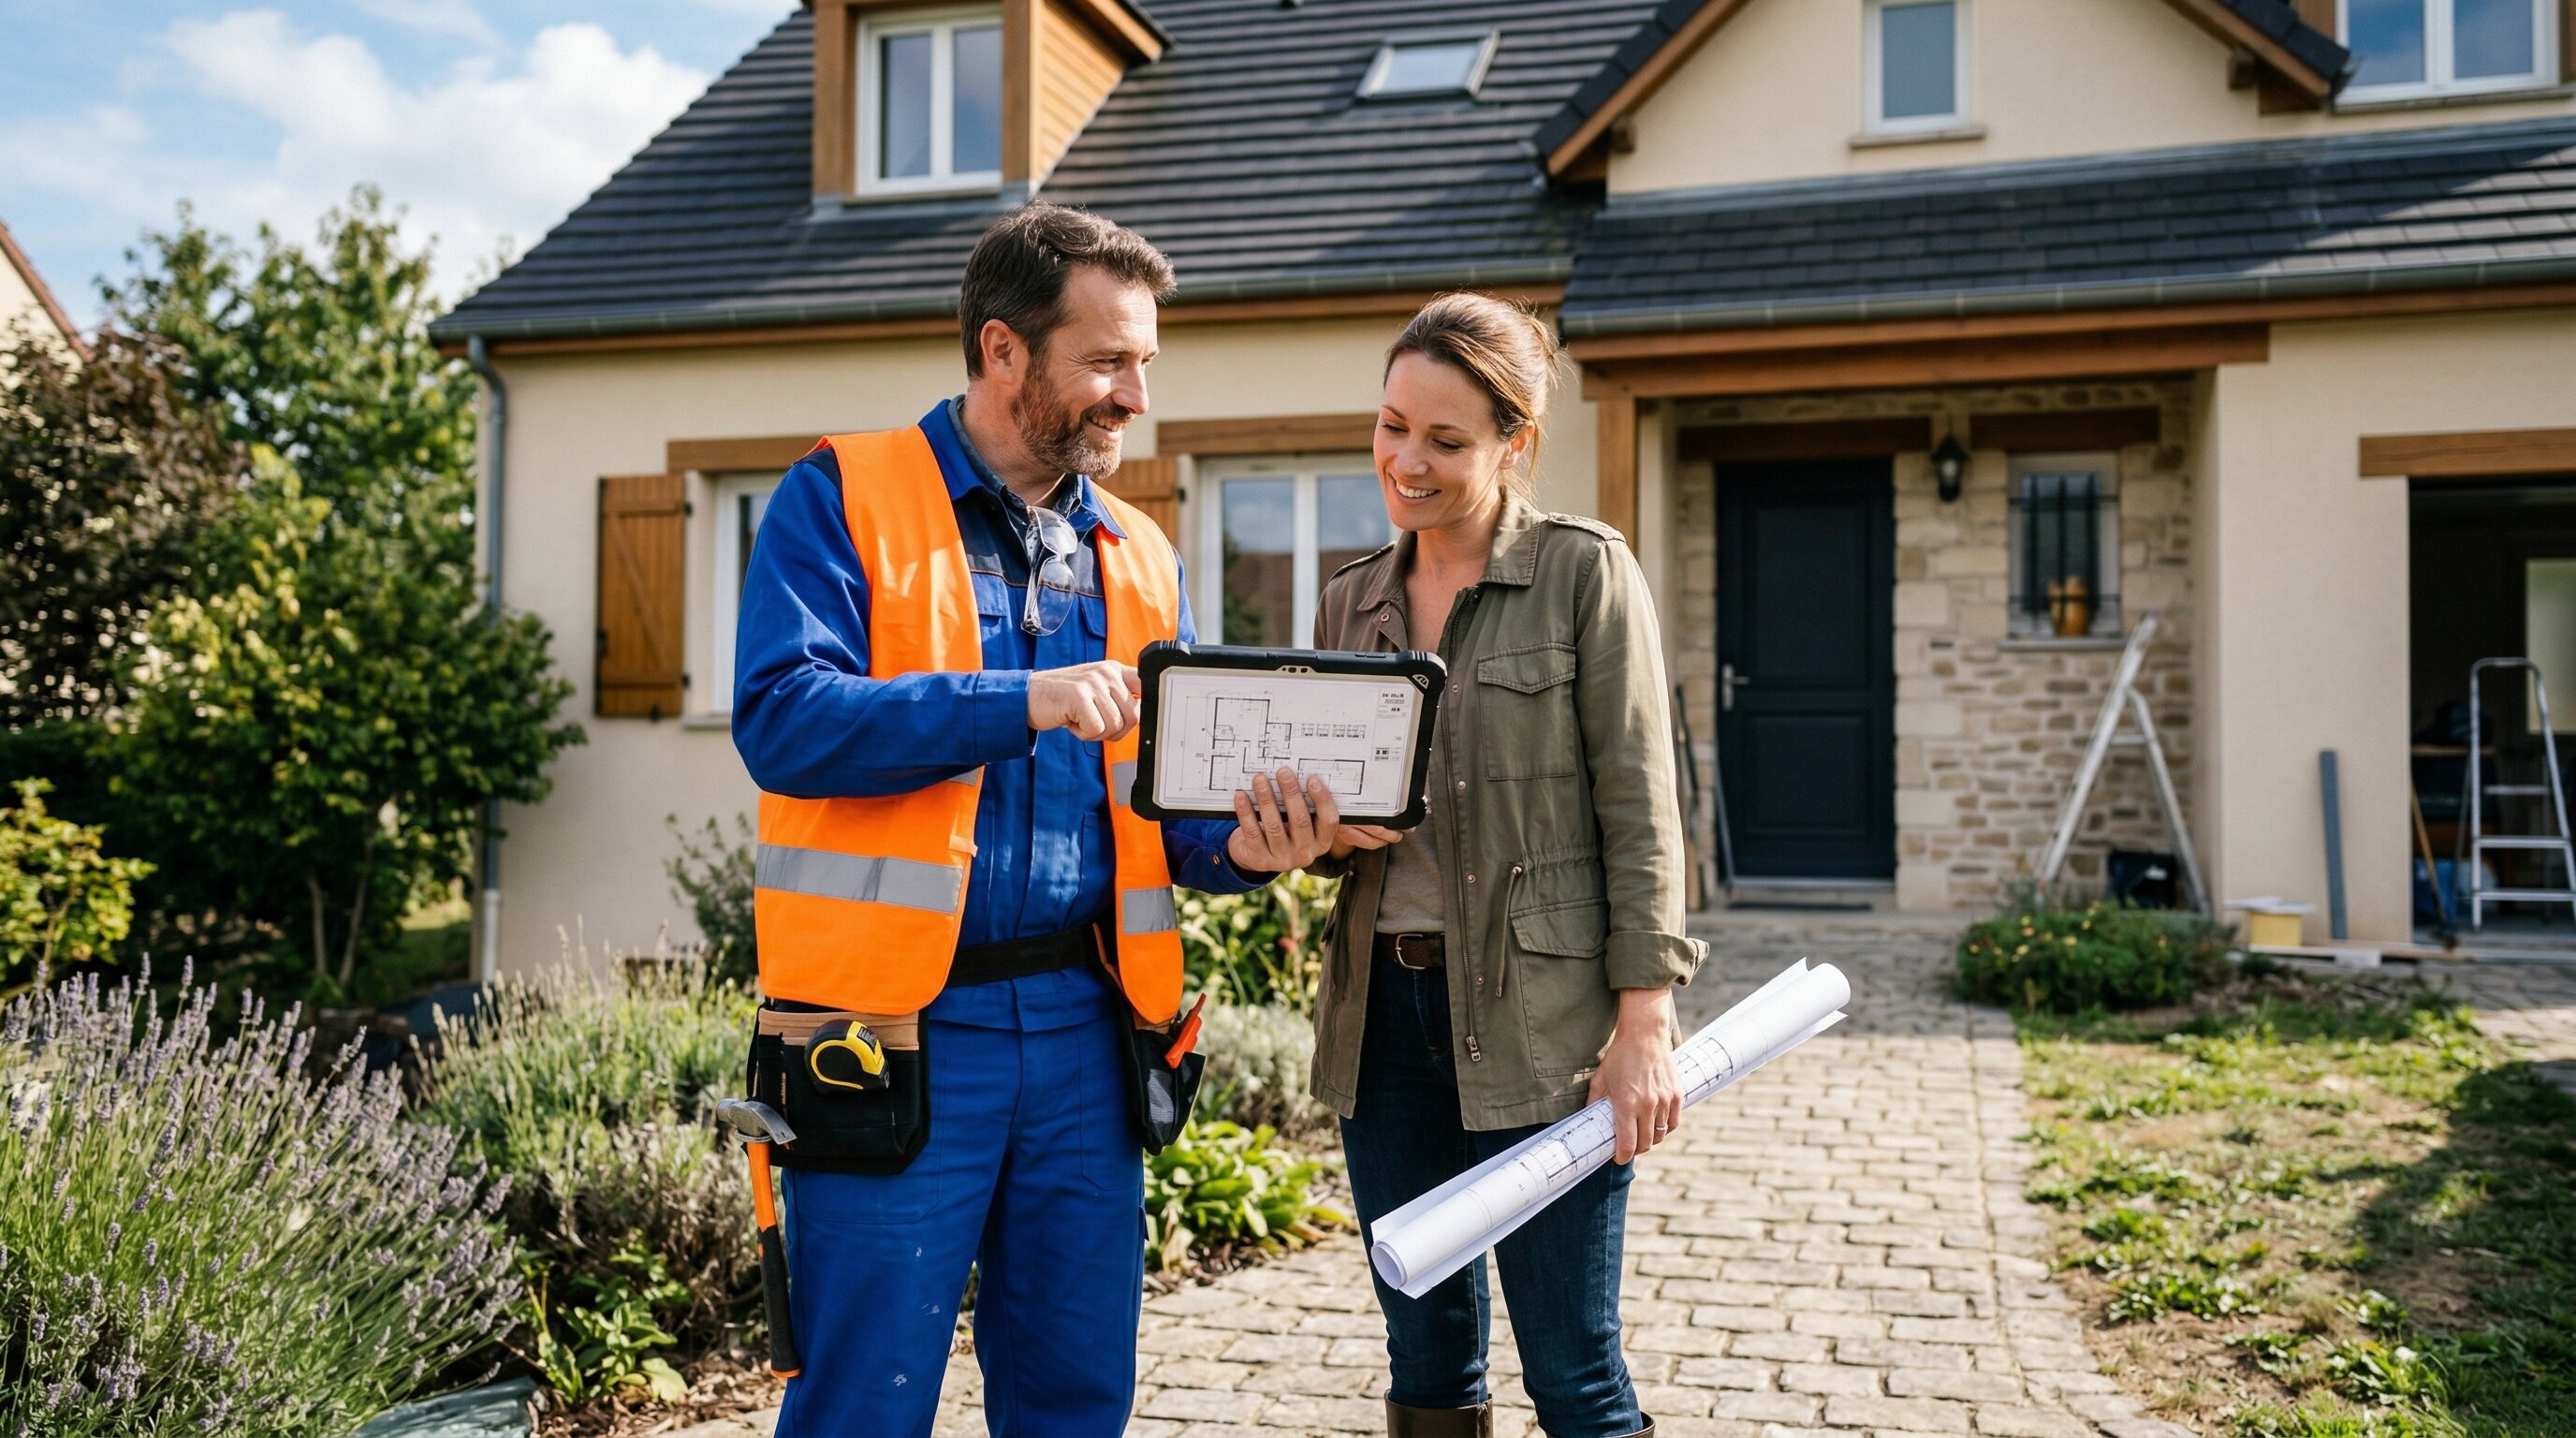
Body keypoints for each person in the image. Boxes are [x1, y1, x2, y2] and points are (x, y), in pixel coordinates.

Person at [731, 204, 1341, 1438]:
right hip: (892, 1035)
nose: (1136, 396)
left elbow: (1160, 820)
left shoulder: (1142, 555)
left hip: (1086, 1035)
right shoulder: (839, 495)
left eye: (1145, 366)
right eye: (1109, 362)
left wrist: (1249, 846)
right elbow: (785, 721)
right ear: (1004, 352)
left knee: (1074, 1402)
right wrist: (1023, 700)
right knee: (862, 1406)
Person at [1304, 293, 1704, 1438]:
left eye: (1445, 439)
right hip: (1382, 1025)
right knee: (1425, 1356)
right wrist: (1322, 834)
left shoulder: (1584, 575)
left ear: (1514, 443)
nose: (1406, 461)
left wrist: (1643, 1024)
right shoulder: (1351, 600)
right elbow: (1330, 838)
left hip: (1542, 1025)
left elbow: (1640, 808)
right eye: (1390, 427)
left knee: (1571, 1368)